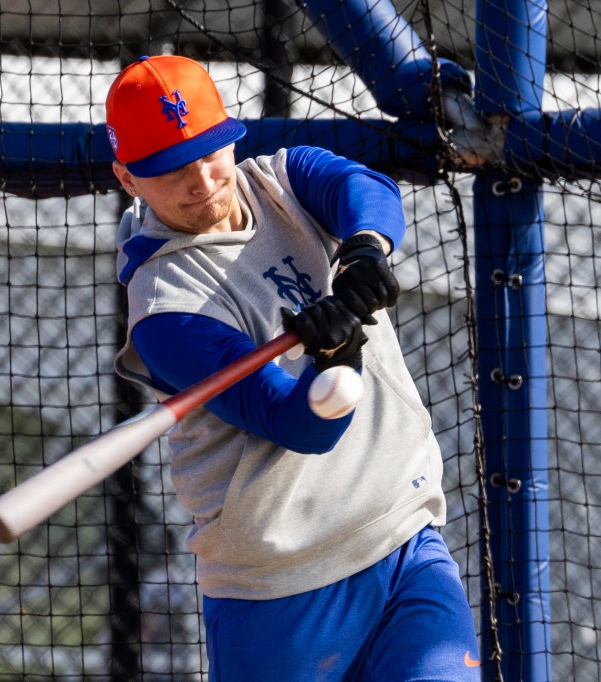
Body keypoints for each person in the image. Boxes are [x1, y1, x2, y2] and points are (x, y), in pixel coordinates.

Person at [105, 55, 480, 681]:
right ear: (129, 177)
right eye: (171, 169)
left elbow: (369, 191)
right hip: (281, 584)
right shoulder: (165, 308)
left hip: (402, 536)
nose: (202, 180)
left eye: (208, 152)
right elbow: (299, 426)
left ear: (230, 136)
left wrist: (364, 249)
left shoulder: (282, 177)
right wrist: (332, 361)